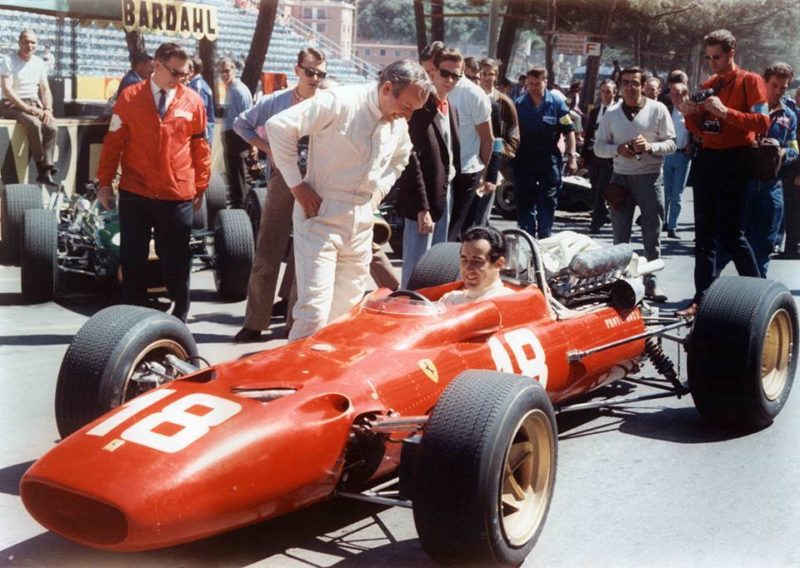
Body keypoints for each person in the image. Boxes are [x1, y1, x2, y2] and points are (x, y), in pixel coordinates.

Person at [265, 59, 432, 341]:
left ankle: (327, 377)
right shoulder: (340, 101)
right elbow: (279, 126)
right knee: (313, 313)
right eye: (406, 107)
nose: (408, 116)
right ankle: (293, 379)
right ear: (387, 88)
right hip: (321, 215)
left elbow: (401, 159)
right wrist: (297, 185)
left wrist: (377, 193)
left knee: (345, 316)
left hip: (362, 218)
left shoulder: (398, 124)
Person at [96, 42, 210, 322]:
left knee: (175, 258)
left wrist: (201, 185)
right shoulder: (129, 97)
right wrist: (104, 182)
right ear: (156, 65)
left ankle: (180, 313)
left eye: (184, 74)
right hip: (136, 192)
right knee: (132, 258)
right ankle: (132, 316)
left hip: (176, 194)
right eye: (175, 73)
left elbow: (201, 148)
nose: (180, 79)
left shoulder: (193, 101)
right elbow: (113, 143)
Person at [232, 47, 327, 343]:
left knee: (307, 253)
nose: (314, 78)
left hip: (316, 182)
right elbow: (240, 124)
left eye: (320, 74)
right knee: (268, 249)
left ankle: (295, 324)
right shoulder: (276, 101)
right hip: (283, 180)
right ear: (297, 70)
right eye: (310, 72)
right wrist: (268, 148)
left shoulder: (328, 103)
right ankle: (254, 321)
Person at [677, 29, 769, 316]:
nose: (713, 63)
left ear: (731, 53)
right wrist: (688, 112)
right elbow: (697, 129)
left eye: (717, 57)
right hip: (708, 159)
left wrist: (727, 112)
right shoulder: (708, 84)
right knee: (703, 236)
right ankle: (701, 298)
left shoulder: (750, 81)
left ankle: (759, 293)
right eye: (708, 58)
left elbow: (763, 121)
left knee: (732, 234)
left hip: (737, 159)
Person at [594, 66, 676, 303]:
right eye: (626, 83)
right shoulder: (611, 114)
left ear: (643, 86)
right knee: (620, 236)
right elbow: (599, 147)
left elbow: (672, 143)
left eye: (635, 83)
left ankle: (651, 283)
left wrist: (650, 147)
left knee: (652, 234)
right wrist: (618, 149)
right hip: (620, 178)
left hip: (650, 177)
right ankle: (622, 283)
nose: (631, 87)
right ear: (620, 87)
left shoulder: (658, 110)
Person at [719, 62, 798, 277]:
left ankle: (757, 291)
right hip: (742, 184)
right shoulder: (747, 109)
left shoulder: (789, 116)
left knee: (764, 245)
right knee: (728, 242)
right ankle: (705, 292)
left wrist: (783, 154)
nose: (778, 91)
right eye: (774, 86)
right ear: (764, 83)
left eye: (783, 87)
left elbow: (794, 148)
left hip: (772, 187)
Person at [396, 47, 463, 288]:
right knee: (416, 266)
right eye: (446, 74)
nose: (451, 80)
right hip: (422, 198)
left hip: (445, 193)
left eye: (457, 76)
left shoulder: (450, 107)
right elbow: (410, 158)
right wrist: (421, 206)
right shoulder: (420, 108)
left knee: (438, 263)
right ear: (432, 71)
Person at [514, 66, 578, 239]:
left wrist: (572, 156)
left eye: (538, 83)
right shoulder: (518, 105)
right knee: (524, 203)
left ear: (546, 82)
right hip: (524, 160)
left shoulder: (557, 104)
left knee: (547, 203)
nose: (534, 87)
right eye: (531, 84)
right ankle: (527, 240)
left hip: (549, 160)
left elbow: (569, 130)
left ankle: (545, 239)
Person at [0, 30, 57, 185]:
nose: (29, 45)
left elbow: (45, 89)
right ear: (19, 43)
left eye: (33, 42)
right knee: (34, 124)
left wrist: (48, 109)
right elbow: (7, 90)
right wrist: (27, 108)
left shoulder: (39, 62)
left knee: (52, 127)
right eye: (26, 42)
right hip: (11, 104)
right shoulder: (8, 60)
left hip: (33, 103)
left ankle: (47, 168)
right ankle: (41, 166)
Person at [448, 52, 495, 235]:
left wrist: (485, 172)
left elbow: (490, 140)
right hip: (442, 170)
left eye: (455, 75)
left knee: (459, 228)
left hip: (466, 170)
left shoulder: (478, 96)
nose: (450, 79)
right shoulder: (433, 91)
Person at [439, 225, 513, 305]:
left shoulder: (509, 302)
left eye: (477, 261)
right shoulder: (450, 300)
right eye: (464, 260)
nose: (468, 268)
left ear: (499, 264)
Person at [582, 78, 617, 233]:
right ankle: (603, 213)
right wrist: (584, 155)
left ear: (614, 93)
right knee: (594, 186)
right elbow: (589, 132)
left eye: (608, 92)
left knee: (602, 188)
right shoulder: (595, 111)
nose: (605, 95)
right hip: (594, 154)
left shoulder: (618, 111)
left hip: (610, 156)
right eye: (603, 92)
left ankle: (596, 221)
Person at [219, 57, 253, 208]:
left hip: (238, 137)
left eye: (226, 71)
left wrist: (251, 143)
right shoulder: (230, 90)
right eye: (221, 71)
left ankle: (241, 208)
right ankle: (237, 204)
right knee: (233, 174)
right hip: (230, 136)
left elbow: (249, 118)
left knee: (239, 175)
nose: (224, 74)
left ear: (234, 70)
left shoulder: (239, 91)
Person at [478, 57, 519, 182]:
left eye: (490, 74)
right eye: (483, 74)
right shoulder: (471, 97)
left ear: (496, 76)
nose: (486, 77)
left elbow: (514, 133)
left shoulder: (505, 103)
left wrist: (502, 152)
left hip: (494, 160)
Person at [662, 81, 694, 239]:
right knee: (664, 192)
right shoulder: (667, 111)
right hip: (667, 155)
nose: (674, 97)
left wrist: (692, 145)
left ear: (685, 94)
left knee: (677, 194)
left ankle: (672, 226)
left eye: (678, 93)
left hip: (683, 156)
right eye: (672, 93)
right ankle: (662, 222)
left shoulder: (691, 113)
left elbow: (696, 132)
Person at [187, 56, 215, 146]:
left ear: (191, 70)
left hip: (202, 135)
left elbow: (201, 110)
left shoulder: (198, 86)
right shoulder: (197, 84)